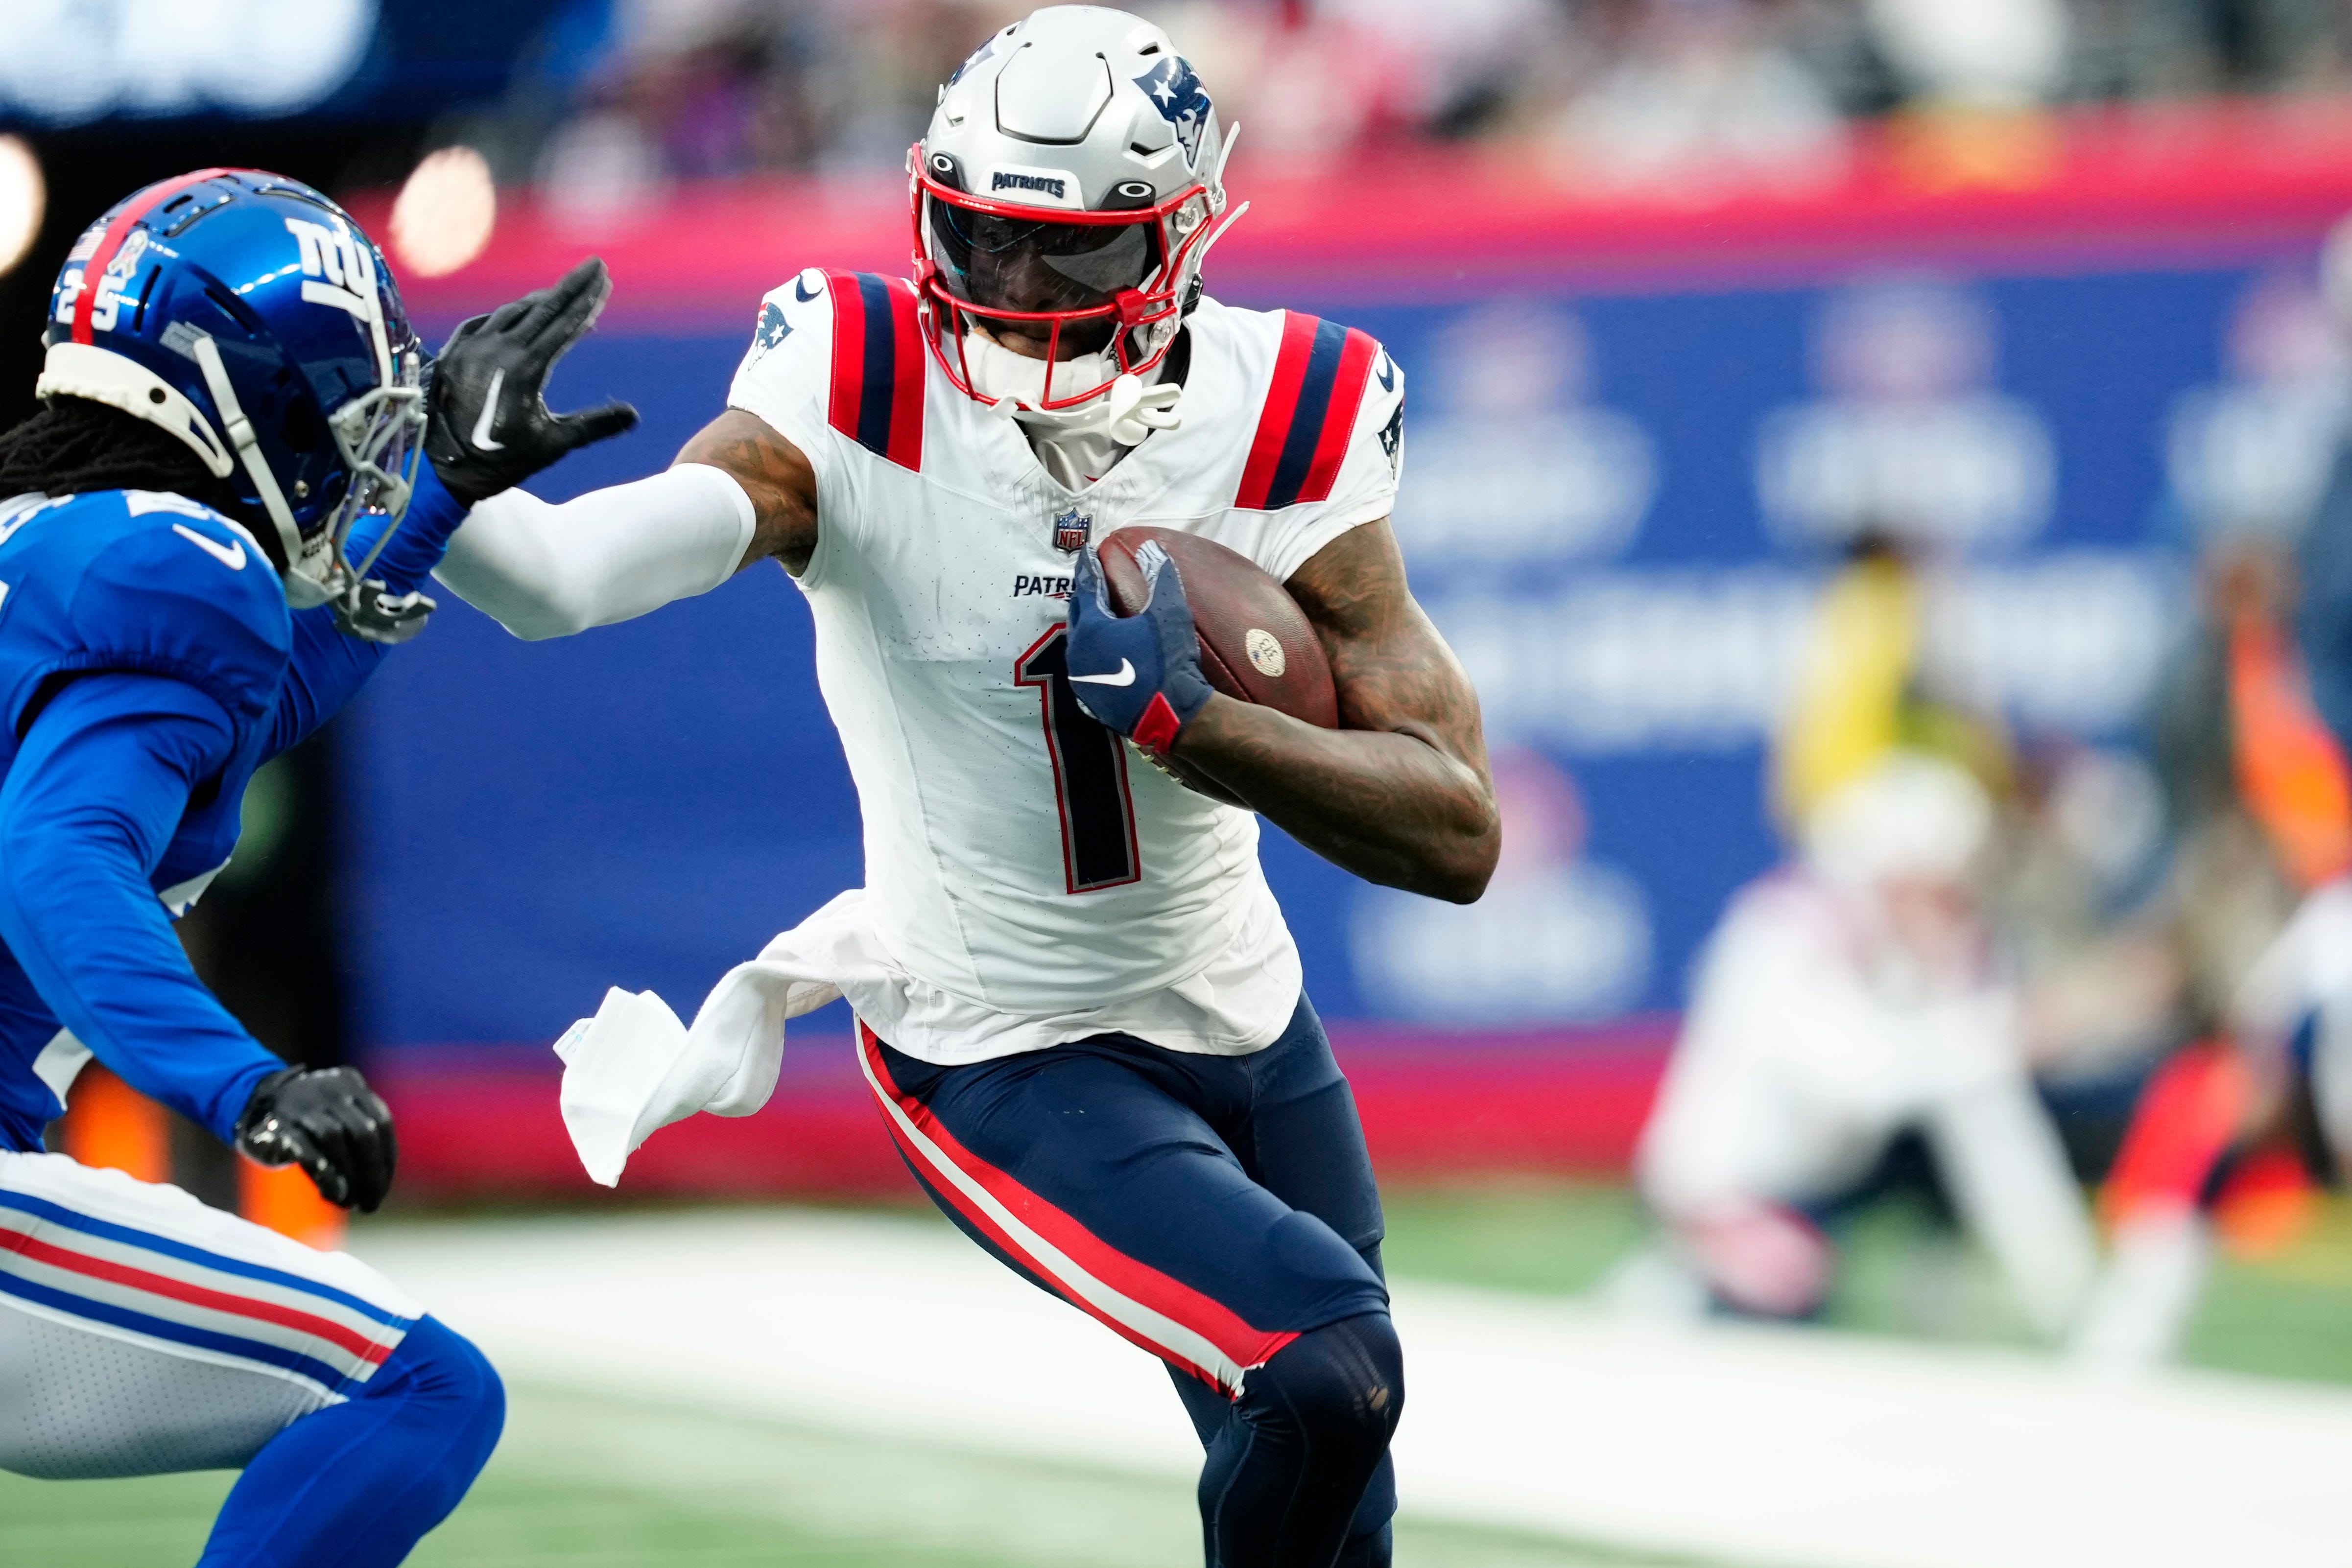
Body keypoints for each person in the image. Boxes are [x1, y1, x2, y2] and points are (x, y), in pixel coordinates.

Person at [425, 8, 1498, 1563]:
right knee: (1326, 1360)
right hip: (996, 1037)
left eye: (1064, 257)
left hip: (1249, 1024)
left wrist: (1206, 731)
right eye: (979, 241)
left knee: (1348, 1503)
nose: (1007, 293)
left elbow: (1455, 827)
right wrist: (445, 489)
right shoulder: (860, 378)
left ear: (1183, 236)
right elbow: (562, 583)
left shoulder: (1288, 405)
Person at [0, 168, 632, 1565]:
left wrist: (442, 505)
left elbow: (239, 709)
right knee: (418, 1386)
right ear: (251, 396)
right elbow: (52, 857)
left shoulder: (54, 544)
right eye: (346, 416)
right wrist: (252, 1083)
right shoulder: (170, 568)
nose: (359, 455)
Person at [1635, 754, 2098, 1335]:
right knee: (1778, 1310)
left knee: (1969, 1107)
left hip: (1837, 1180)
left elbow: (1992, 1120)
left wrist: (2067, 1287)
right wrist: (2002, 1032)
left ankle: (1946, 1277)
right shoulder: (1782, 932)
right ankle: (1677, 1284)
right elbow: (1857, 1082)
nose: (1955, 904)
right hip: (1733, 1188)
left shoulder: (1933, 951)